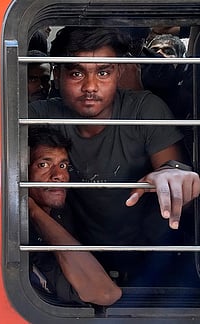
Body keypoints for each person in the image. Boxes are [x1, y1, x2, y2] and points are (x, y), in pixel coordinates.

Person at [29, 27, 200, 285]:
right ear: (57, 74)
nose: (90, 87)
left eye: (103, 72)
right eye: (76, 73)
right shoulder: (41, 116)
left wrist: (172, 174)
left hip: (156, 262)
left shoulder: (144, 108)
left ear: (118, 73)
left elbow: (173, 171)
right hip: (83, 262)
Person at [28, 126, 121, 306]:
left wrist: (35, 210)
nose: (59, 176)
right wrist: (33, 211)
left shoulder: (62, 211)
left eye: (63, 165)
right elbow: (105, 293)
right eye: (44, 165)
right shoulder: (21, 231)